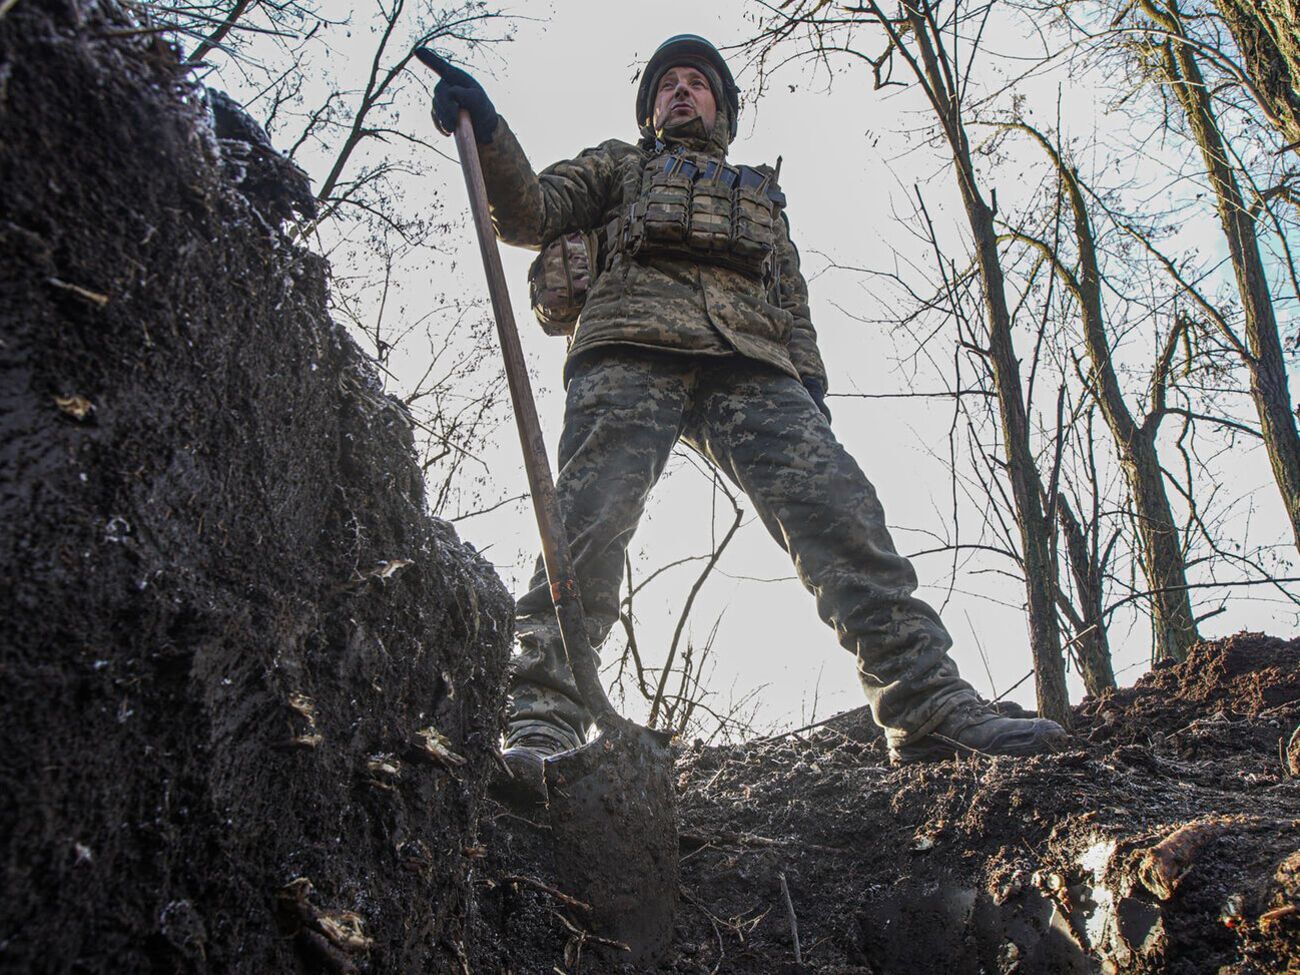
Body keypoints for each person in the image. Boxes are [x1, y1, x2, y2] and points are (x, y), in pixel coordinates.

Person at [420, 35, 1067, 798]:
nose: (682, 93)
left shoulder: (759, 195)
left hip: (752, 362)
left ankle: (925, 708)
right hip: (631, 343)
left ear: (722, 108)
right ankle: (539, 722)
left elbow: (792, 304)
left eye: (697, 84)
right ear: (652, 107)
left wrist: (811, 396)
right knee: (588, 523)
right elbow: (528, 210)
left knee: (840, 512)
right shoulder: (618, 167)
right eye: (668, 85)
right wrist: (489, 132)